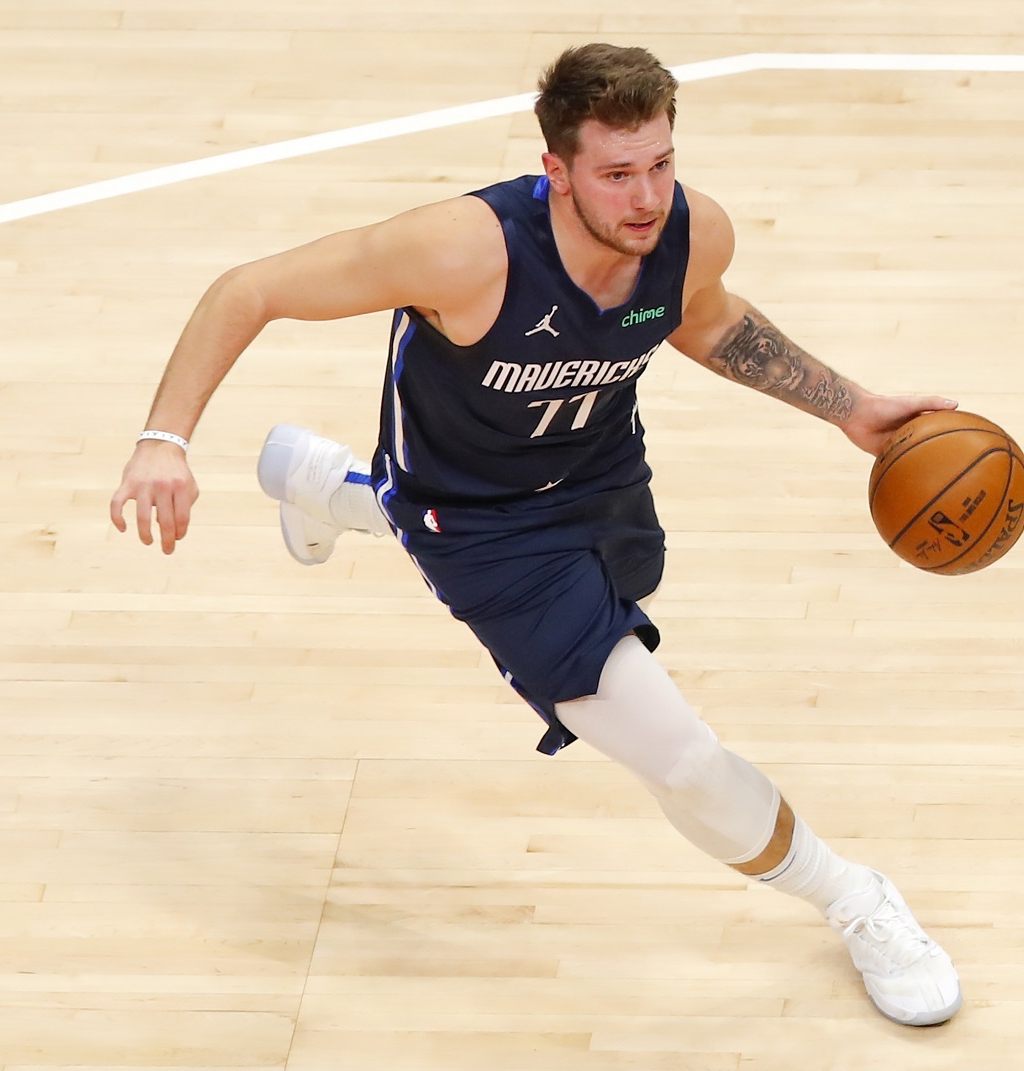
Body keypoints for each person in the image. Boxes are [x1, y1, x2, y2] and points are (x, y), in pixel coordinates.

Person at [110, 43, 963, 1026]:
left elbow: (708, 320)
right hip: (484, 530)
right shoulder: (461, 251)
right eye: (615, 174)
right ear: (556, 170)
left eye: (660, 165)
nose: (645, 198)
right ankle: (856, 897)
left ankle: (325, 483)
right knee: (675, 753)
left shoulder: (689, 234)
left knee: (623, 597)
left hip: (602, 478)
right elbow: (246, 288)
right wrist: (163, 439)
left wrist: (848, 407)